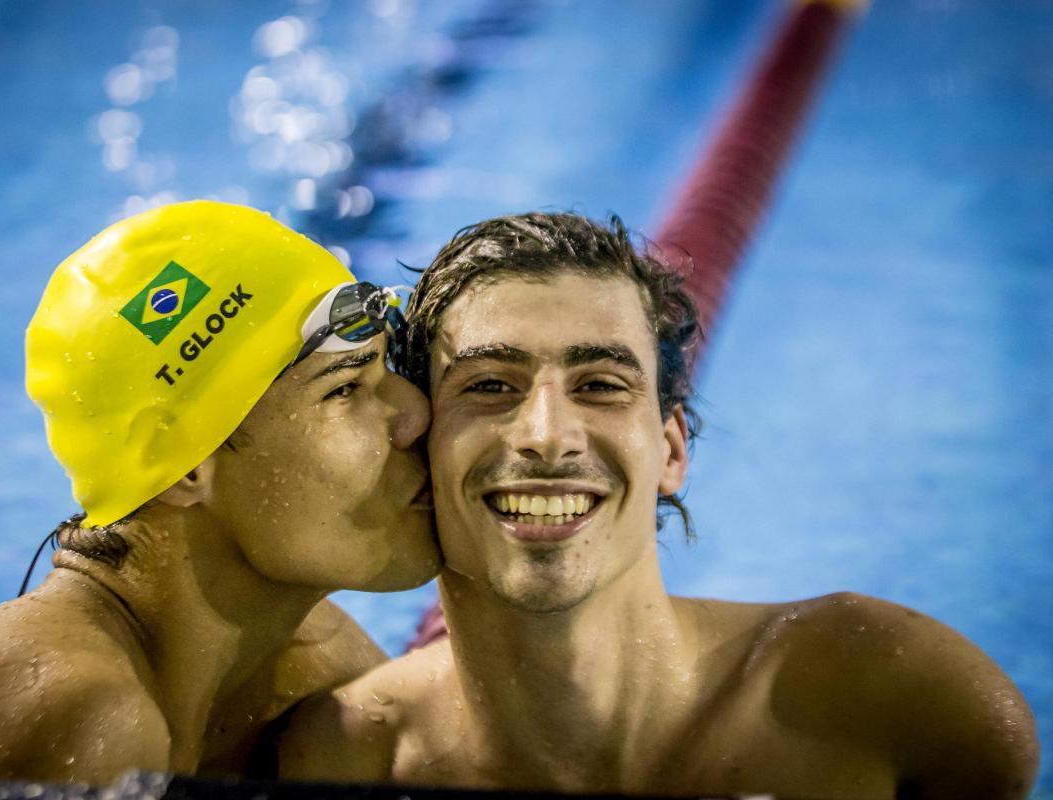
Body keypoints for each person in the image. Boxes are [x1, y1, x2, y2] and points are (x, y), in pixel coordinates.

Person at [279, 212, 1039, 799]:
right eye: (489, 386)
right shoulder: (349, 759)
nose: (546, 436)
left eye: (601, 386)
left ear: (671, 451)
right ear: (417, 444)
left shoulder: (891, 701)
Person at [0, 201, 441, 784]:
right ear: (185, 467)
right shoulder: (63, 719)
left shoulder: (319, 673)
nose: (414, 413)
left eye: (384, 369)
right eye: (344, 388)